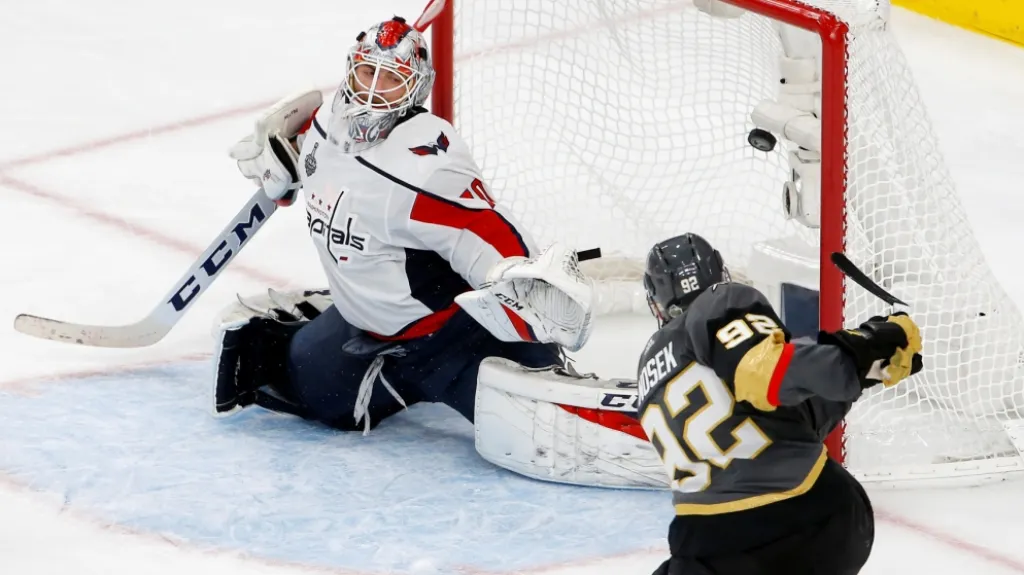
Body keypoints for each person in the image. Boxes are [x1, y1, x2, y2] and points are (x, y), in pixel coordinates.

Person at [210, 15, 594, 433]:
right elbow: (317, 152)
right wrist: (286, 156)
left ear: (414, 87)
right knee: (301, 388)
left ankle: (527, 368)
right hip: (365, 330)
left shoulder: (424, 166)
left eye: (390, 78)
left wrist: (513, 274)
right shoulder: (325, 126)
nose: (372, 88)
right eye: (366, 71)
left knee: (541, 429)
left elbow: (481, 230)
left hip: (452, 339)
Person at [636, 232, 923, 574]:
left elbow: (777, 406)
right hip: (801, 521)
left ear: (658, 301)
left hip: (761, 530)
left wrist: (856, 365)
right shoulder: (719, 303)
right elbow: (770, 376)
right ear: (719, 274)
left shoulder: (649, 366)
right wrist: (867, 350)